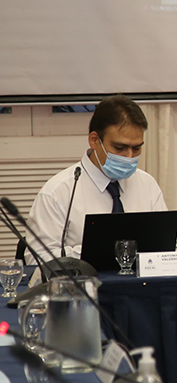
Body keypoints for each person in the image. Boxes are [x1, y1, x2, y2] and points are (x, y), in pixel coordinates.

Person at [26, 95, 167, 264]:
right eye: (119, 147)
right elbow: (36, 259)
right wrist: (92, 251)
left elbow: (170, 246)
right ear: (94, 141)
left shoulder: (147, 184)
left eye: (136, 148)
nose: (129, 156)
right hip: (83, 281)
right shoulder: (58, 192)